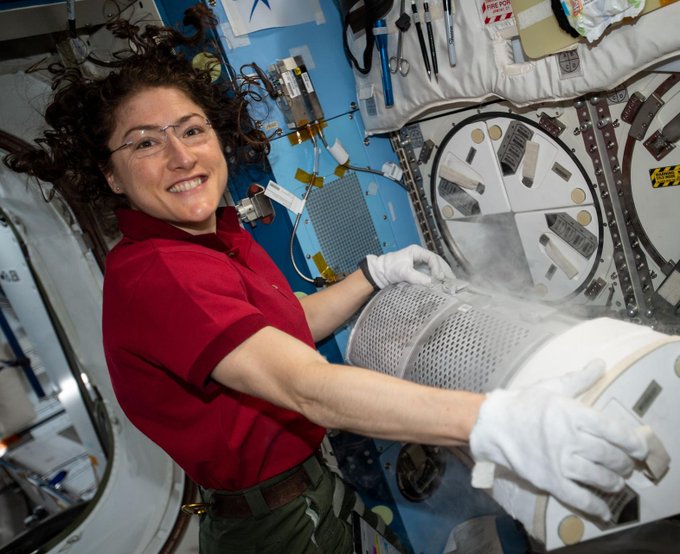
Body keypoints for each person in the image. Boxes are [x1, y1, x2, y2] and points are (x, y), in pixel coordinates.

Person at [5, 8, 650, 554]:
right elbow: (304, 384)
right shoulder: (158, 275)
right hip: (277, 524)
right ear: (111, 176)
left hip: (312, 485)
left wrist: (373, 273)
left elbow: (289, 331)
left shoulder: (217, 237)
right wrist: (494, 422)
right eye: (145, 143)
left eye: (192, 130)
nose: (180, 156)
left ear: (219, 139)